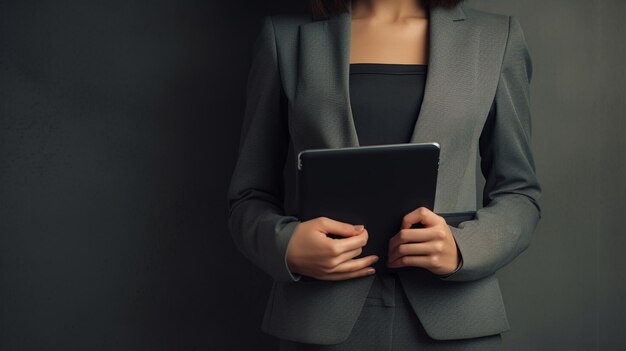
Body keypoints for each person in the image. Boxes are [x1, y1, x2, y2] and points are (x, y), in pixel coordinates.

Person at [226, 0, 542, 349]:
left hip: (457, 320)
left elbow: (520, 193)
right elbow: (248, 195)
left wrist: (463, 247)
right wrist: (287, 246)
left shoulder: (496, 37)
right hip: (317, 321)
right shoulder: (284, 38)